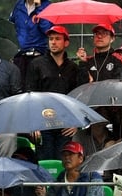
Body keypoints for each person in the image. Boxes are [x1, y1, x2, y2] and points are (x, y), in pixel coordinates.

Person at [25, 25, 85, 161]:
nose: (53, 42)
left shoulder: (73, 68)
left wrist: (76, 124)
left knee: (63, 161)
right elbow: (30, 95)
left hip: (65, 124)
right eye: (51, 39)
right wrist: (33, 124)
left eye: (57, 39)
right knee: (44, 162)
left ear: (66, 43)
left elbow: (79, 96)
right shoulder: (37, 64)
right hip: (42, 122)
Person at [10, 0, 52, 90]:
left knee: (36, 90)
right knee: (18, 89)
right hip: (20, 56)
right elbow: (10, 26)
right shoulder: (19, 5)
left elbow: (48, 30)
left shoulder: (47, 6)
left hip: (38, 55)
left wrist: (39, 8)